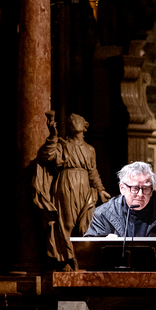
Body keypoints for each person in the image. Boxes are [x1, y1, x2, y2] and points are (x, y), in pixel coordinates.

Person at [33, 113, 111, 269]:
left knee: (85, 225)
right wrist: (53, 136)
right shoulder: (62, 145)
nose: (73, 121)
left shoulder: (90, 149)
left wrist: (100, 190)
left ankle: (84, 259)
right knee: (67, 223)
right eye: (70, 121)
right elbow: (47, 156)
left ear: (85, 126)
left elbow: (93, 171)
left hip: (85, 188)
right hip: (66, 185)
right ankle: (67, 260)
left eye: (77, 120)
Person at [85, 161, 156, 249]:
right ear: (122, 189)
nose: (140, 194)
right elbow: (87, 251)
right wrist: (102, 243)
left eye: (146, 188)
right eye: (135, 188)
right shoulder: (103, 214)